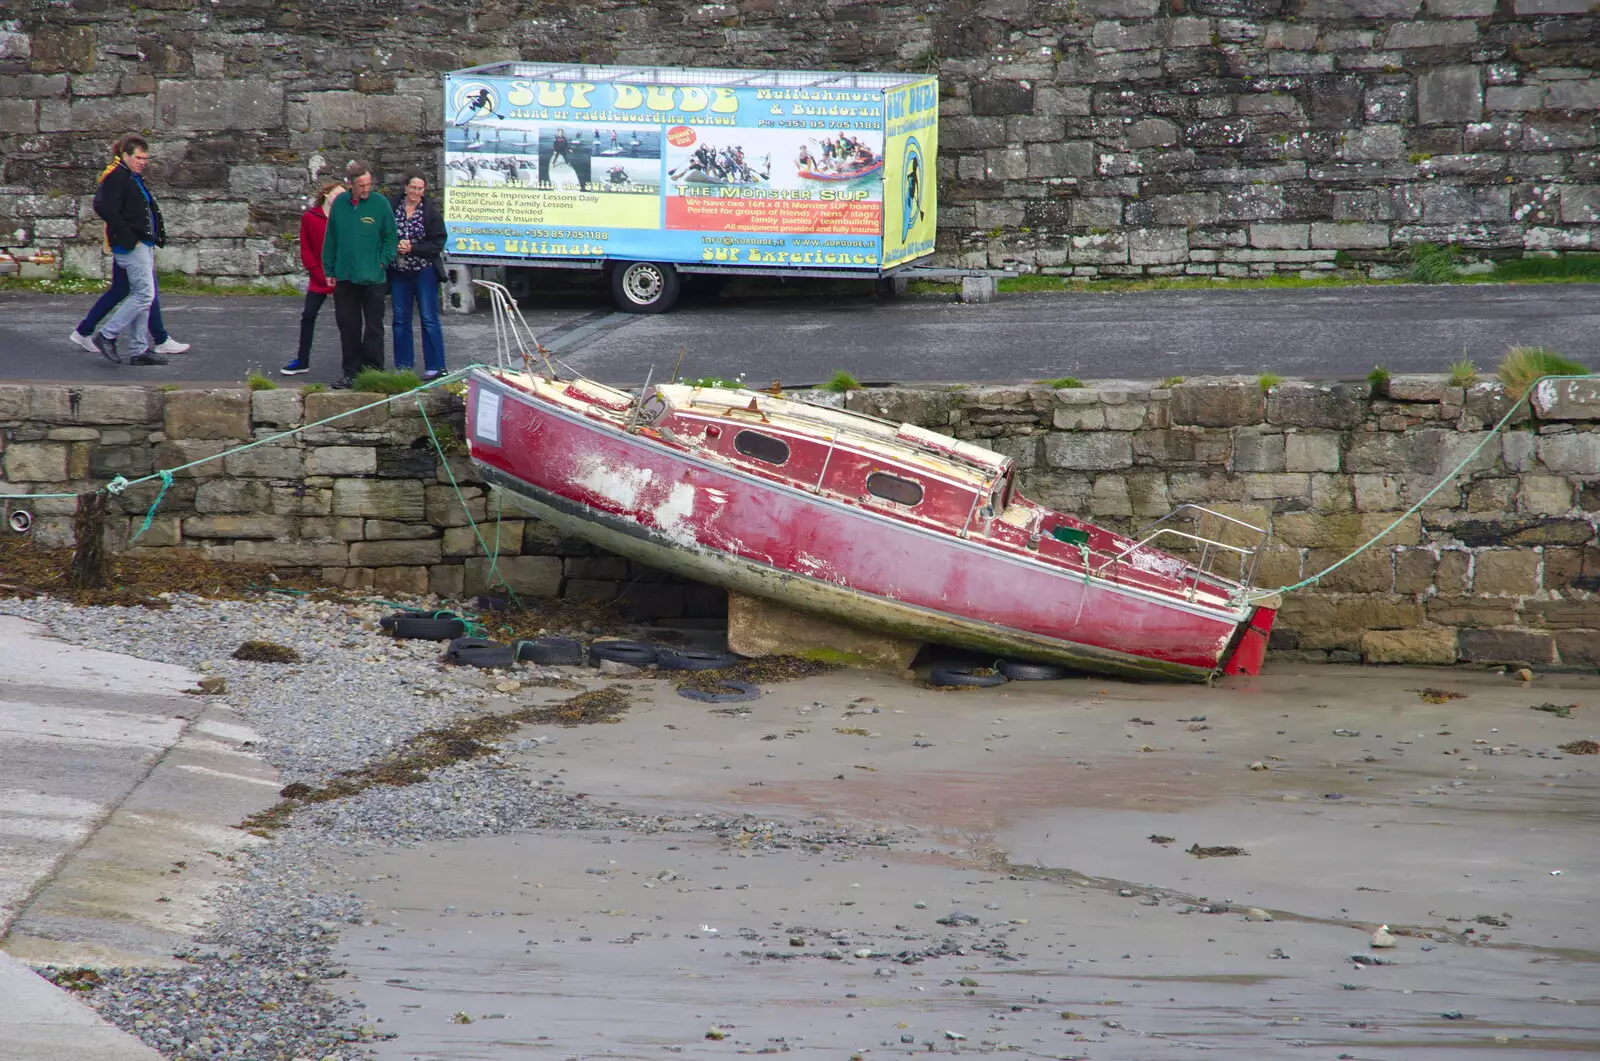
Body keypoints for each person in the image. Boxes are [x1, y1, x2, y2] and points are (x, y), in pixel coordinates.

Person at [89, 133, 168, 366]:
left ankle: (138, 349)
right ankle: (107, 335)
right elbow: (103, 206)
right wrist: (128, 236)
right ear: (125, 156)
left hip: (142, 243)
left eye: (145, 158)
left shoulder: (131, 177)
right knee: (144, 295)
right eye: (138, 157)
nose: (143, 162)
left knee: (141, 294)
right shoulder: (117, 177)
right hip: (133, 245)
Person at [321, 159, 396, 389]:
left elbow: (390, 237)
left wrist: (382, 262)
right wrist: (329, 268)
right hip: (345, 276)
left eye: (368, 184)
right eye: (361, 185)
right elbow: (330, 238)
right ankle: (351, 372)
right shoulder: (340, 204)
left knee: (374, 326)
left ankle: (373, 371)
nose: (366, 189)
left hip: (373, 277)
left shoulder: (380, 203)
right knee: (348, 326)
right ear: (351, 184)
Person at [281, 179, 345, 375]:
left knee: (346, 320)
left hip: (340, 277)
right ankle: (302, 360)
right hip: (319, 278)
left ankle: (352, 363)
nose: (340, 197)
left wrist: (337, 274)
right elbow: (306, 250)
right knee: (308, 316)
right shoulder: (310, 217)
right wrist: (319, 275)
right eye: (337, 193)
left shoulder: (344, 218)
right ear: (326, 193)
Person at [387, 171, 447, 381]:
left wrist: (413, 247)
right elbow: (383, 233)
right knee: (400, 319)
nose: (416, 192)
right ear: (405, 187)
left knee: (429, 318)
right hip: (399, 271)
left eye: (420, 188)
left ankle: (436, 365)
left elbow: (437, 243)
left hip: (424, 270)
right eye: (413, 187)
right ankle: (403, 366)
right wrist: (395, 246)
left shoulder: (430, 212)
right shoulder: (392, 207)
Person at [71, 263, 189, 357]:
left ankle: (84, 329)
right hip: (135, 245)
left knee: (121, 289)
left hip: (124, 244)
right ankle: (160, 339)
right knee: (146, 291)